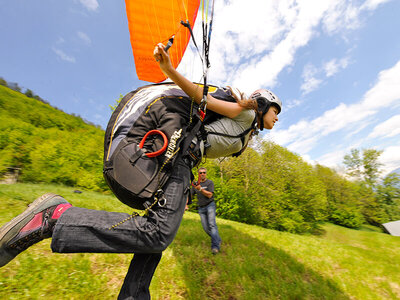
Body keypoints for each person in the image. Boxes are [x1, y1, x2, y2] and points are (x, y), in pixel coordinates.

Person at [0, 43, 281, 299]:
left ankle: (133, 295)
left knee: (157, 234)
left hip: (184, 164)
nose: (277, 118)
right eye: (275, 111)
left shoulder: (245, 133)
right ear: (263, 104)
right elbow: (202, 98)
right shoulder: (244, 113)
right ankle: (55, 217)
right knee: (158, 233)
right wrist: (169, 69)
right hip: (177, 158)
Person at [191, 167, 221, 254]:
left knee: (212, 225)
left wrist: (200, 189)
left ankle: (215, 247)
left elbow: (210, 195)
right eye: (200, 173)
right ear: (198, 174)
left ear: (206, 174)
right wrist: (185, 205)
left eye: (204, 172)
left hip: (210, 206)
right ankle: (218, 239)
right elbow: (190, 195)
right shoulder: (195, 184)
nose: (202, 174)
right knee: (206, 228)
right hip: (201, 207)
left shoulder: (210, 183)